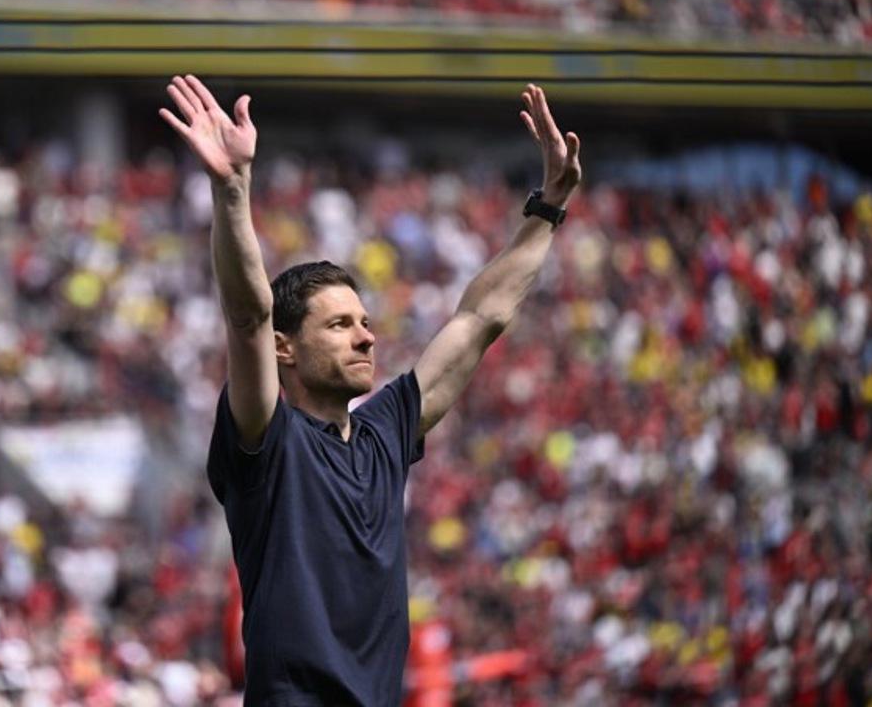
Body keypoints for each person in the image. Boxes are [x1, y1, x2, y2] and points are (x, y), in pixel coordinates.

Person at [159, 75, 583, 706]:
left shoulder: (385, 433)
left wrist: (548, 207)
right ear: (286, 349)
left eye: (364, 323)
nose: (366, 338)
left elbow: (480, 318)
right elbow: (248, 314)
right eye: (338, 325)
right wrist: (232, 189)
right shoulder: (267, 440)